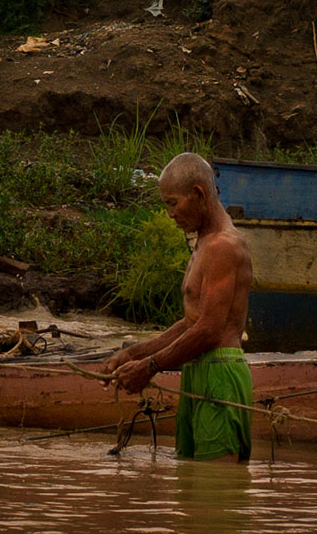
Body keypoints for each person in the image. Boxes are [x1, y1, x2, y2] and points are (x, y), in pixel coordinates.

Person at [97, 152, 254, 462]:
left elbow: (210, 331)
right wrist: (133, 354)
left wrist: (149, 367)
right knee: (190, 486)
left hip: (220, 375)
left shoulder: (224, 245)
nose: (169, 214)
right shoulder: (204, 242)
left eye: (172, 203)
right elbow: (191, 322)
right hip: (198, 371)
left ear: (197, 194)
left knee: (216, 491)